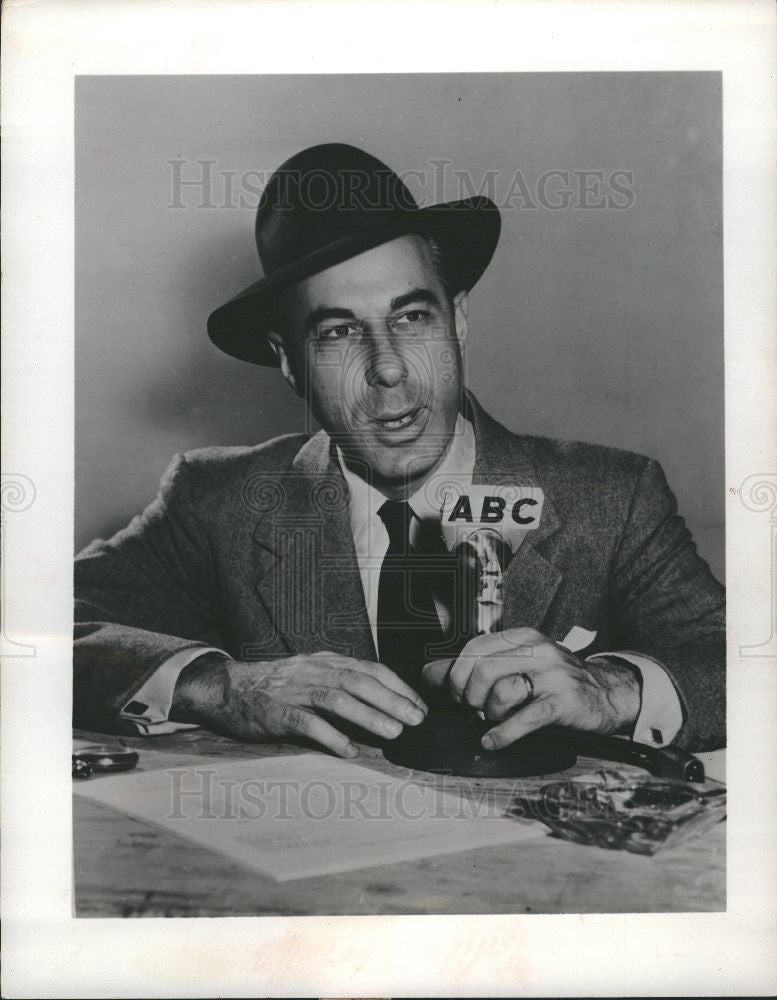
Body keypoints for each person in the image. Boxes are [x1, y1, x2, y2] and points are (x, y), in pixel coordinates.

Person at [74, 143, 725, 756]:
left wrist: (614, 689)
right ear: (289, 362)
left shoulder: (613, 497)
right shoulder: (216, 501)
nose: (388, 369)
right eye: (337, 333)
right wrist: (221, 686)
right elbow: (36, 634)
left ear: (457, 320)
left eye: (412, 318)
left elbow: (741, 663)